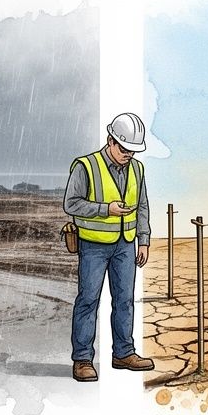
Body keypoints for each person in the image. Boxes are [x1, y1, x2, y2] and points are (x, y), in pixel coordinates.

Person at [63, 112, 154, 382]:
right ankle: (82, 359)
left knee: (125, 301)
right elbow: (71, 204)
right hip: (93, 246)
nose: (129, 155)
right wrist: (106, 210)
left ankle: (124, 353)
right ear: (110, 140)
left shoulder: (137, 169)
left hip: (125, 245)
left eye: (133, 151)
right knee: (88, 300)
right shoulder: (86, 166)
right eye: (124, 149)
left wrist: (144, 239)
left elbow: (143, 206)